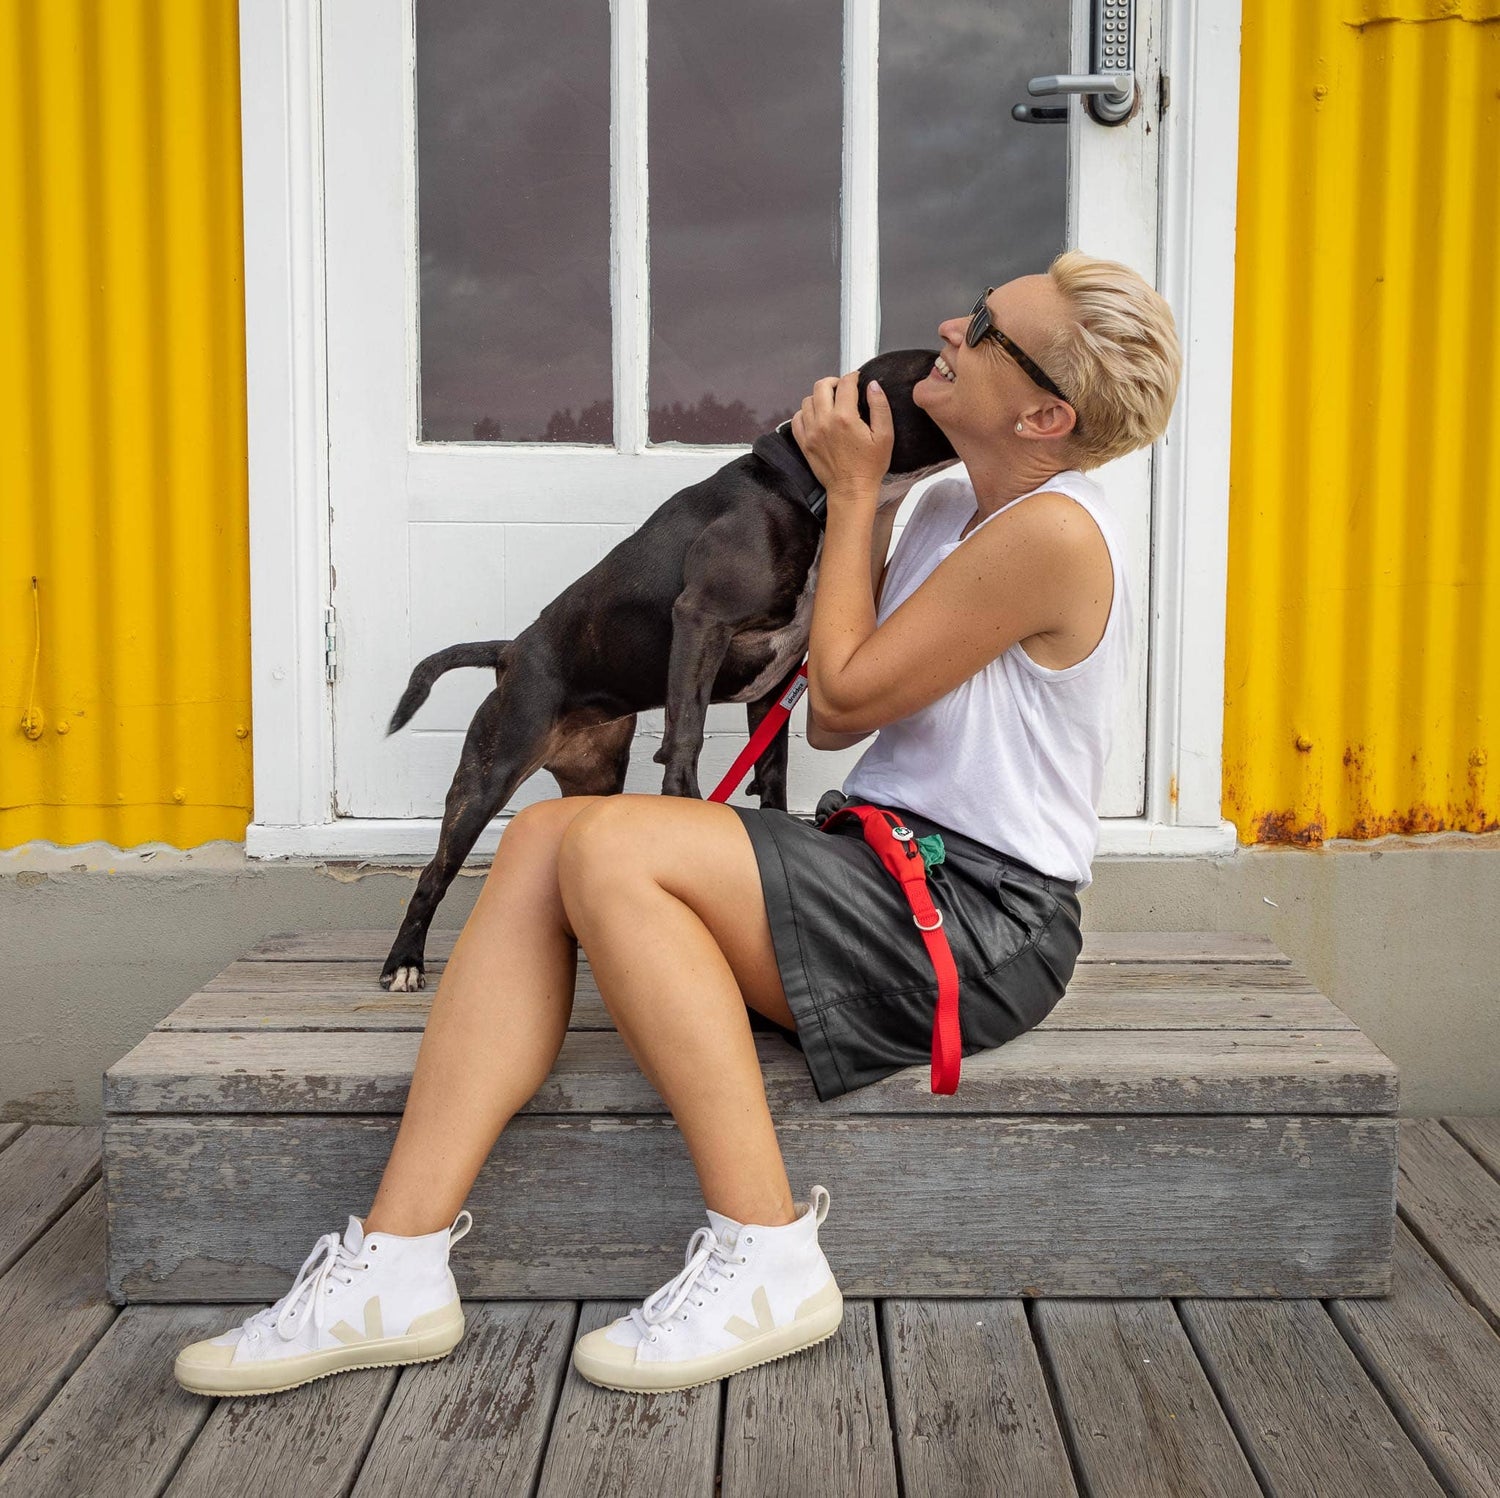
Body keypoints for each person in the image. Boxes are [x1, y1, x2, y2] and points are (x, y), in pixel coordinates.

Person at [173, 250, 1181, 1399]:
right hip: (884, 868)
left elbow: (841, 700)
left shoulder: (1056, 535)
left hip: (975, 923)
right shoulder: (953, 499)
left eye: (989, 329)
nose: (952, 325)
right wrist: (817, 495)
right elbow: (836, 690)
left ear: (1045, 411)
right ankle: (394, 1263)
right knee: (551, 837)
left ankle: (767, 1252)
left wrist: (853, 490)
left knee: (608, 840)